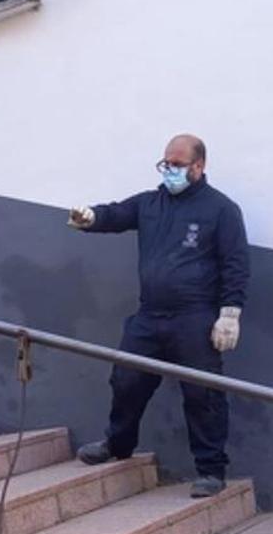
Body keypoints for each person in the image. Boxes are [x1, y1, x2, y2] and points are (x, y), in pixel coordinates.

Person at [67, 134, 249, 498]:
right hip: (149, 316)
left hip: (195, 318)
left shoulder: (221, 210)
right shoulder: (151, 203)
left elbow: (236, 265)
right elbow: (117, 214)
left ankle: (211, 470)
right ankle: (118, 444)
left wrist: (229, 314)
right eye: (166, 163)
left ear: (199, 167)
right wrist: (90, 217)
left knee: (203, 394)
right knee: (126, 381)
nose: (171, 170)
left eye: (179, 164)